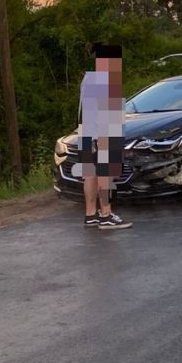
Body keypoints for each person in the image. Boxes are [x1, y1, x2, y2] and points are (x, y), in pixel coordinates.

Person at [78, 43, 132, 230]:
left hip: (86, 133)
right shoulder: (106, 81)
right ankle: (106, 214)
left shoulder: (88, 79)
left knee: (90, 175)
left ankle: (91, 215)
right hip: (102, 134)